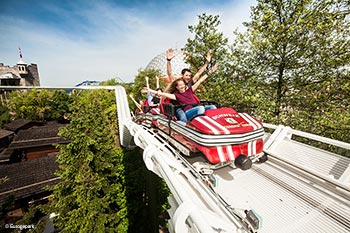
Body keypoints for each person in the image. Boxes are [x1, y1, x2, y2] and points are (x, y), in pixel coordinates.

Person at [147, 73, 216, 122]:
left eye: (183, 84)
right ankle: (200, 125)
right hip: (188, 112)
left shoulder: (190, 90)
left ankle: (215, 123)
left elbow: (200, 81)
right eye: (180, 85)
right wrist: (150, 90)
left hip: (197, 108)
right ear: (177, 87)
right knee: (200, 108)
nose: (182, 86)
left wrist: (210, 72)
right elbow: (163, 94)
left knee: (212, 107)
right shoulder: (176, 95)